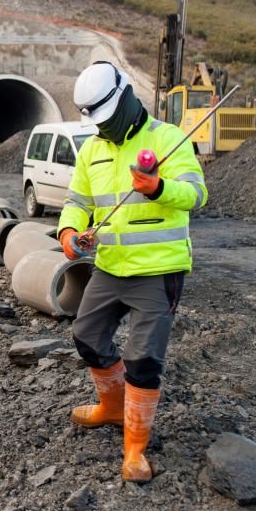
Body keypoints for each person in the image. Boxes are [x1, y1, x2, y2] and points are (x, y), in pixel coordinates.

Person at [59, 61, 207, 483]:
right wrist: (70, 232)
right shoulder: (93, 148)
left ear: (125, 98)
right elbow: (77, 201)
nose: (101, 128)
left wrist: (158, 188)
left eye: (106, 119)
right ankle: (111, 407)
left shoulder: (168, 139)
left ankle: (135, 449)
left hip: (158, 271)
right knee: (87, 337)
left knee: (143, 359)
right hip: (109, 267)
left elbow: (198, 195)